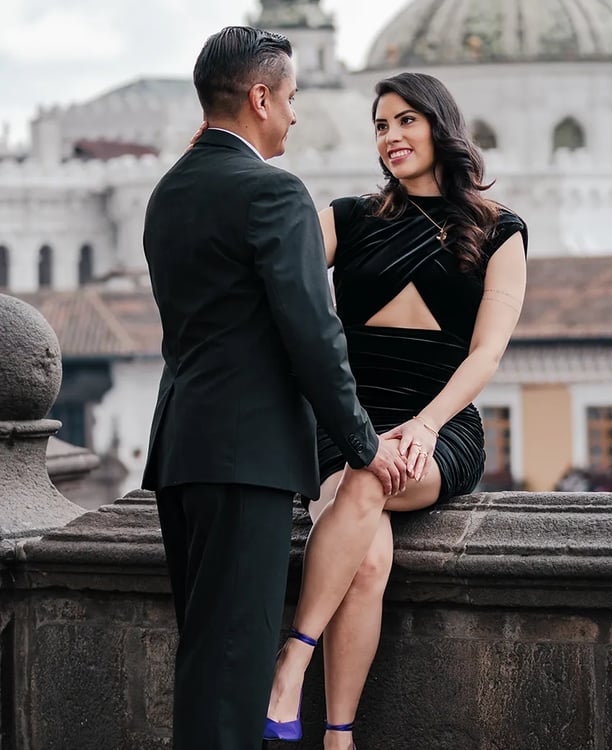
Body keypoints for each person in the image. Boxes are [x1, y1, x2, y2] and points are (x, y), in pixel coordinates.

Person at [141, 26, 407, 750]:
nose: (293, 113)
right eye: (288, 98)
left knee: (206, 659)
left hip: (181, 450)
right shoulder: (274, 193)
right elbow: (313, 333)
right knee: (236, 665)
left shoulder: (169, 192)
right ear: (259, 97)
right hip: (244, 454)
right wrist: (363, 444)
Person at [264, 72, 528, 749]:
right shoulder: (349, 218)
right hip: (347, 422)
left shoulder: (501, 232)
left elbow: (487, 355)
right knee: (370, 559)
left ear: (440, 127)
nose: (392, 136)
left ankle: (291, 661)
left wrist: (428, 423)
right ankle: (339, 736)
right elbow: (277, 278)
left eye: (406, 121)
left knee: (367, 475)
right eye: (381, 125)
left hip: (439, 429)